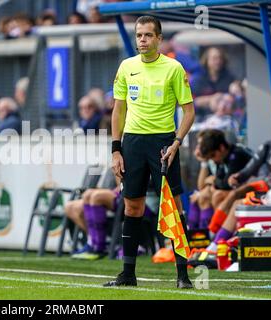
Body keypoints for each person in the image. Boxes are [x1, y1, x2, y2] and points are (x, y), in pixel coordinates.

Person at [106, 16, 195, 289]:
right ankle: (128, 274)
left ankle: (183, 276)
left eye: (147, 35)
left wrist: (176, 143)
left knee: (174, 206)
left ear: (159, 39)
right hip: (132, 144)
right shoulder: (126, 67)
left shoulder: (174, 68)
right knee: (132, 206)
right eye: (138, 35)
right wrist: (116, 151)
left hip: (163, 144)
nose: (142, 40)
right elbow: (118, 110)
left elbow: (189, 112)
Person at [192, 47, 236, 113]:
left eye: (220, 58)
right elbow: (192, 102)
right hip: (202, 119)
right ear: (207, 60)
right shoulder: (198, 78)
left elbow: (234, 100)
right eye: (214, 58)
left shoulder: (229, 77)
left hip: (225, 118)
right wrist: (212, 98)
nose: (218, 61)